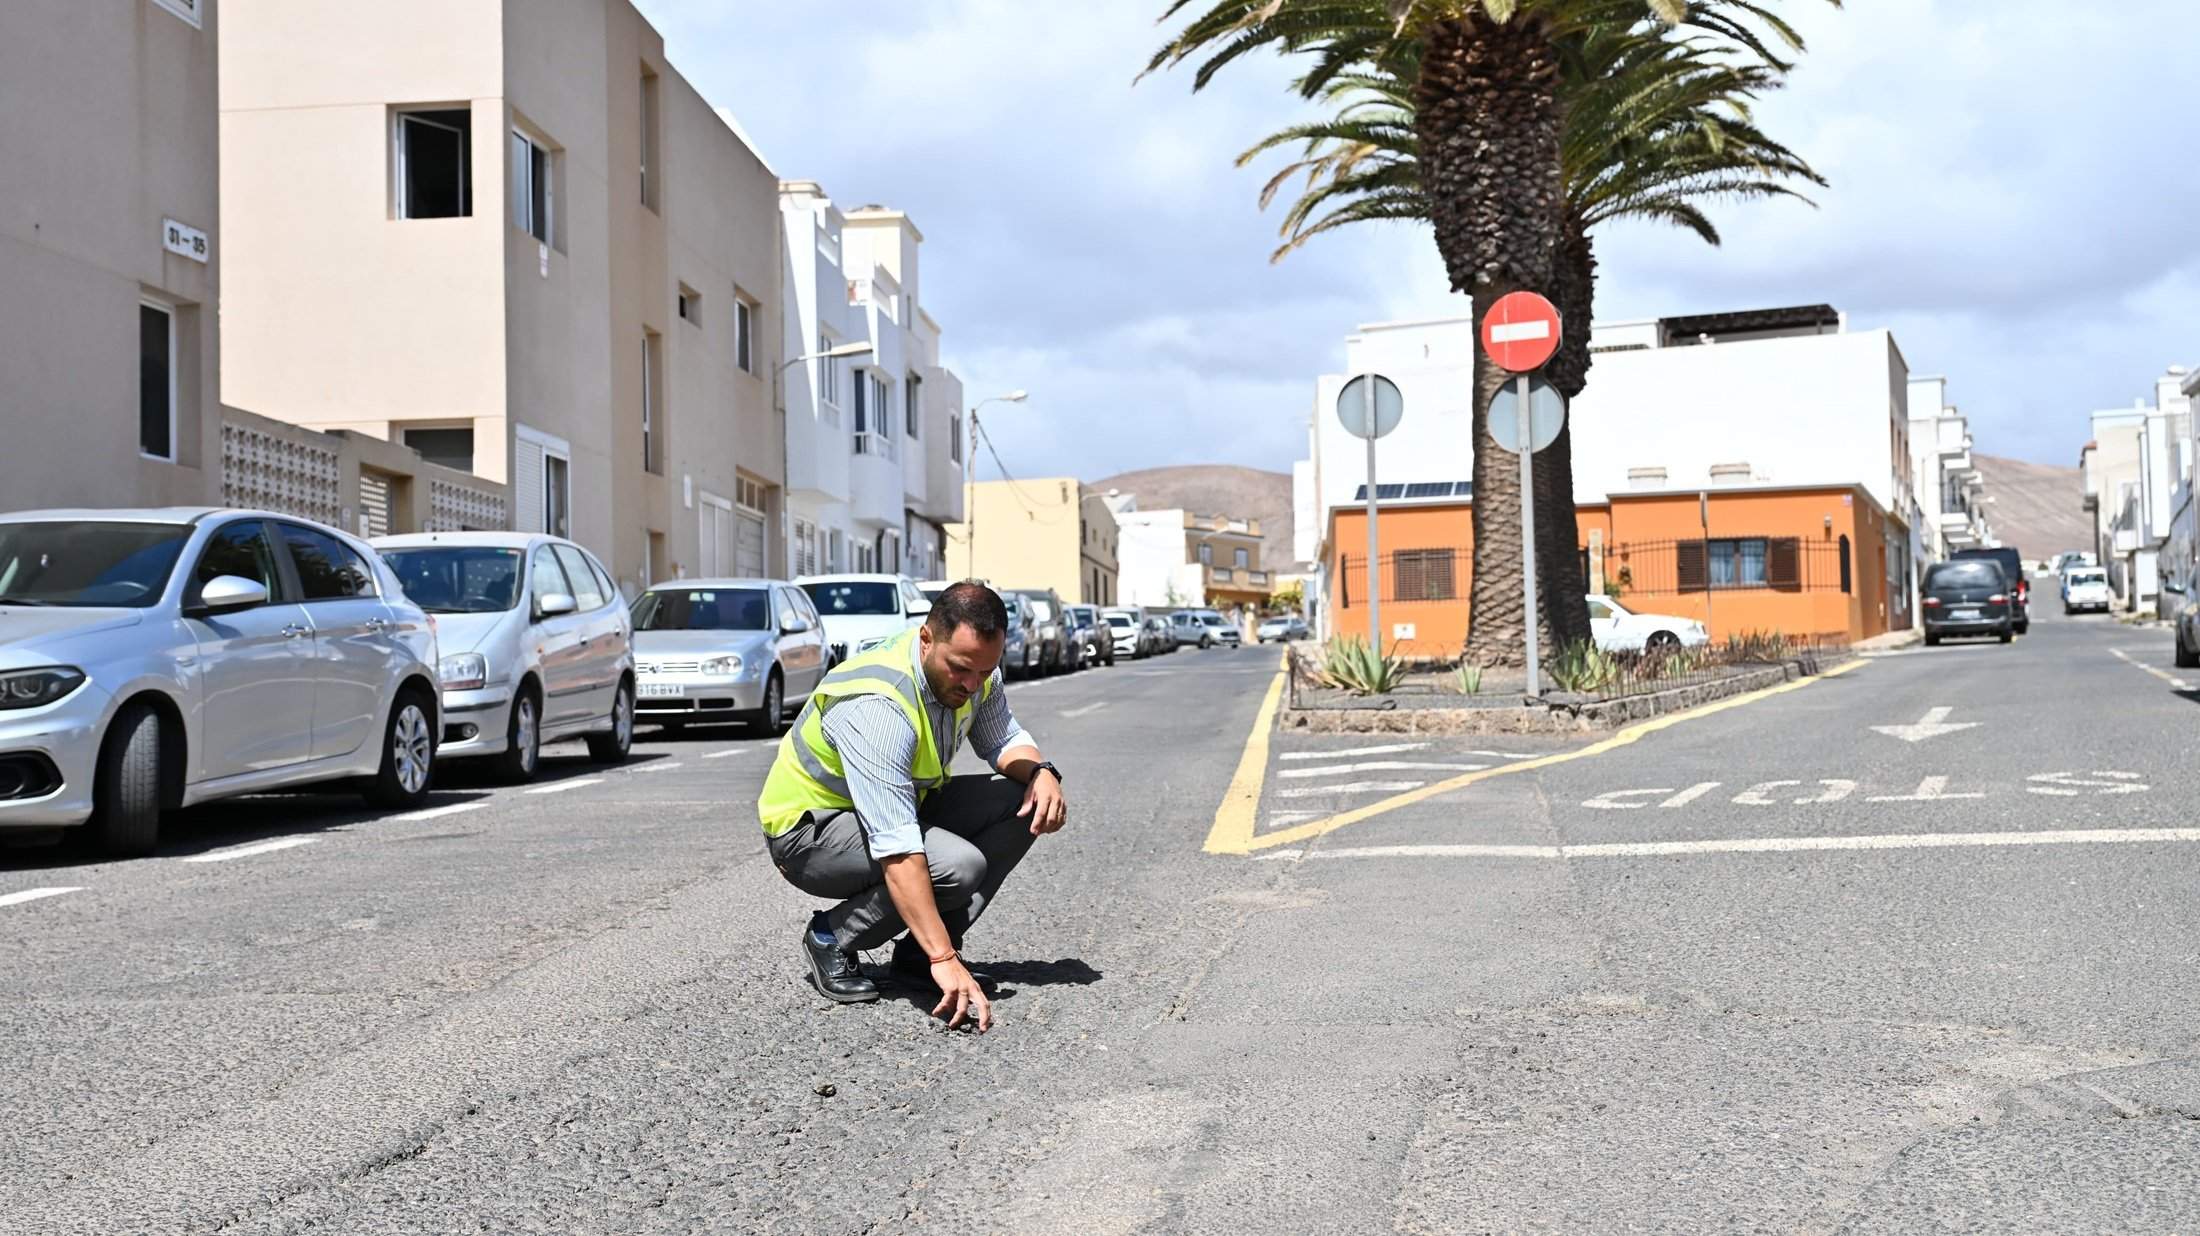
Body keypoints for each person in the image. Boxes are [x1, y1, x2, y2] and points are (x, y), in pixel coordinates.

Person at [755, 581, 1067, 1032]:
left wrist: (1042, 772)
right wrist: (946, 958)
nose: (972, 684)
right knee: (956, 866)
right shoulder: (878, 705)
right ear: (926, 639)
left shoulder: (976, 669)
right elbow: (898, 848)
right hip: (809, 832)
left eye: (985, 671)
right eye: (961, 669)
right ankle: (833, 935)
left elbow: (1002, 739)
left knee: (1023, 799)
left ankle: (916, 957)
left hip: (896, 808)